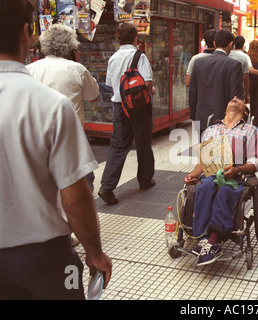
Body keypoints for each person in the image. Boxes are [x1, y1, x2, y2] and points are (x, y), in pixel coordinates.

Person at [0, 0, 111, 299]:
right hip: (44, 259)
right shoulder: (53, 105)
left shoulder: (35, 74)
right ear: (27, 32)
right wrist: (94, 252)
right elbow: (75, 197)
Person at [184, 97, 258, 266]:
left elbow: (255, 162)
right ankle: (203, 238)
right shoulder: (210, 130)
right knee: (204, 187)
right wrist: (192, 175)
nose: (234, 99)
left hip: (235, 176)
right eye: (232, 99)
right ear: (225, 110)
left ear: (245, 112)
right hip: (211, 174)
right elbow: (202, 164)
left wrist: (238, 169)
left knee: (225, 191)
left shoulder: (250, 130)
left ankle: (214, 240)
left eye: (239, 99)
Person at [27, 23, 99, 192]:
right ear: (71, 47)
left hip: (39, 140)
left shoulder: (29, 69)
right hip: (71, 140)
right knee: (80, 187)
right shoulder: (77, 69)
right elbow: (93, 97)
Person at [98, 22, 156, 205]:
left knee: (117, 145)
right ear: (135, 38)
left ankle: (106, 187)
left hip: (118, 106)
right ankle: (145, 180)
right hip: (139, 107)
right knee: (143, 142)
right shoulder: (140, 56)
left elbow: (109, 83)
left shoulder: (113, 58)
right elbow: (146, 82)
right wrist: (152, 91)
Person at [189, 29, 244, 135]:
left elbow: (193, 92)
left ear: (214, 43)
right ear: (230, 44)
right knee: (222, 151)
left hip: (202, 118)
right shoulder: (234, 65)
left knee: (205, 150)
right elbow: (236, 97)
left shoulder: (198, 62)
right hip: (224, 120)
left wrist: (194, 117)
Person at [229, 35, 251, 103]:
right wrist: (247, 94)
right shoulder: (244, 57)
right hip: (238, 89)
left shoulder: (227, 54)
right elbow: (246, 77)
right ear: (243, 44)